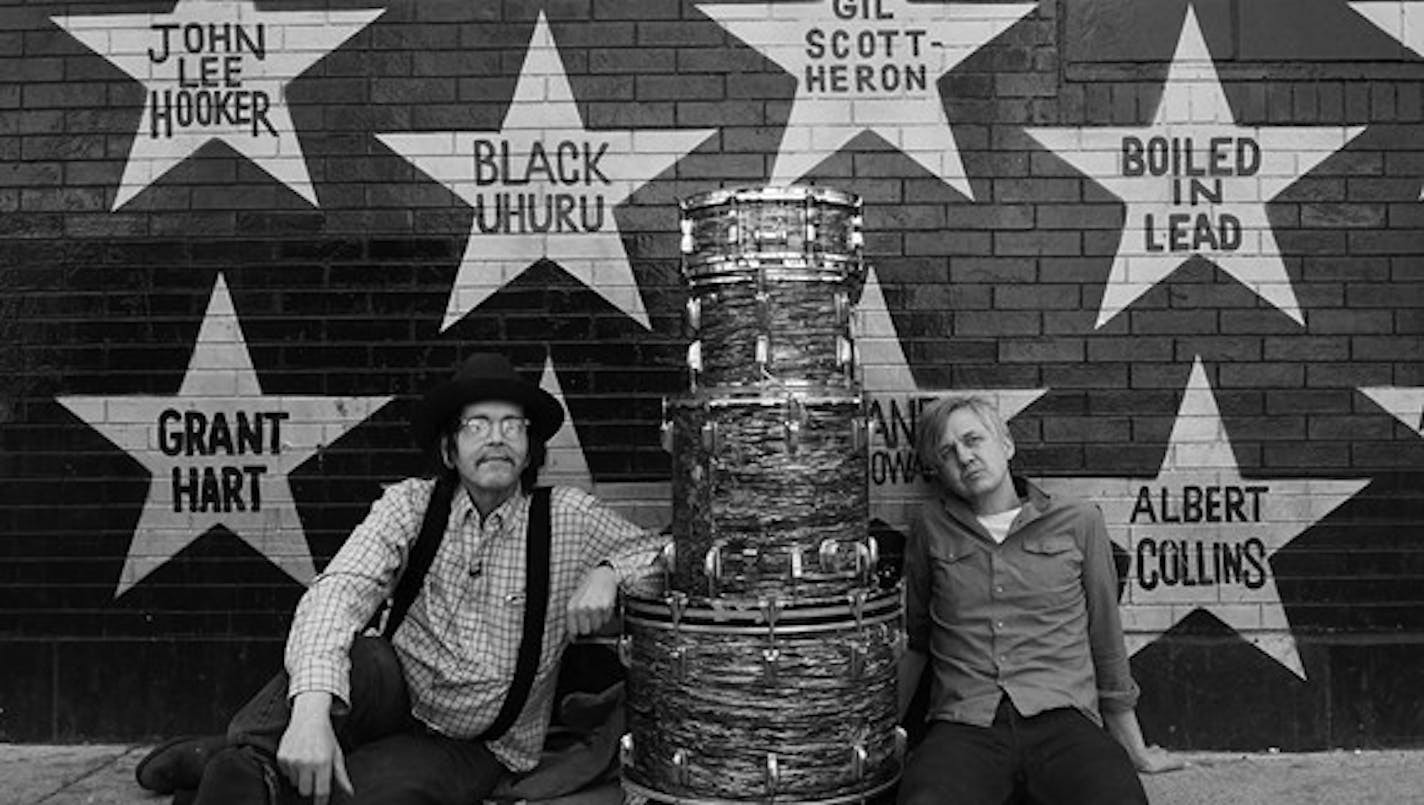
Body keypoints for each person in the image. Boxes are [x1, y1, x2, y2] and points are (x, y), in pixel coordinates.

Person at [135, 352, 664, 805]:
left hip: (477, 742)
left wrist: (609, 572)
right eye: (476, 425)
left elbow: (671, 553)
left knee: (364, 791)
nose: (496, 439)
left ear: (530, 447)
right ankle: (249, 759)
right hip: (392, 694)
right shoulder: (411, 504)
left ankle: (229, 763)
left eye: (512, 425)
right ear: (448, 449)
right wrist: (312, 712)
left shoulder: (568, 517)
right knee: (359, 655)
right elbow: (338, 591)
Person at [897, 395, 1183, 805]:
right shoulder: (931, 527)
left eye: (974, 439)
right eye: (947, 452)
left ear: (1007, 444)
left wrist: (1135, 749)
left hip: (1063, 722)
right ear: (939, 470)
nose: (965, 456)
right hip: (966, 726)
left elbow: (1105, 638)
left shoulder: (1079, 522)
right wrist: (881, 734)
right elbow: (918, 639)